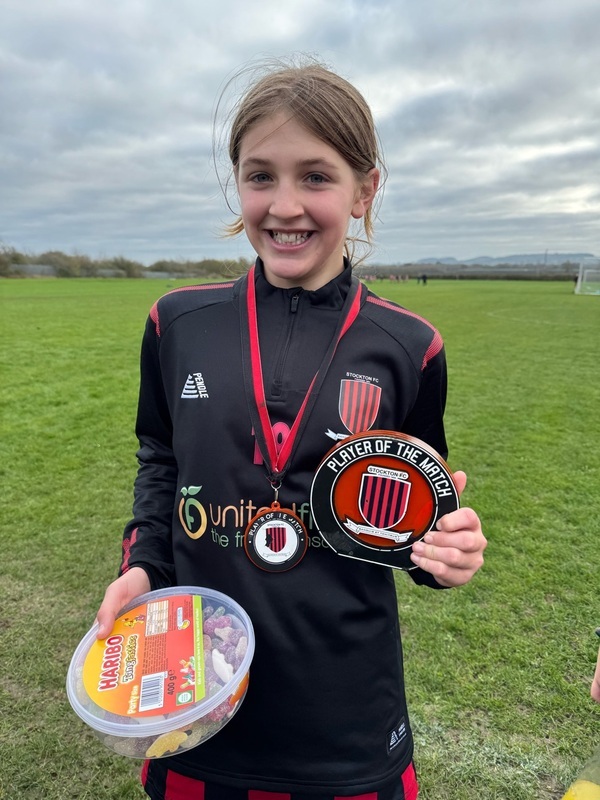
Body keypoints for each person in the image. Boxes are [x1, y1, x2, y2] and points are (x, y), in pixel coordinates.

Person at [96, 58, 487, 800]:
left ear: (364, 190)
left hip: (345, 718)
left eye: (315, 176)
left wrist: (441, 553)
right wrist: (144, 566)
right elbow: (161, 460)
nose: (284, 205)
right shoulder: (177, 323)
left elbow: (413, 512)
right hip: (197, 699)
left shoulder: (410, 346)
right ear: (237, 185)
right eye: (260, 176)